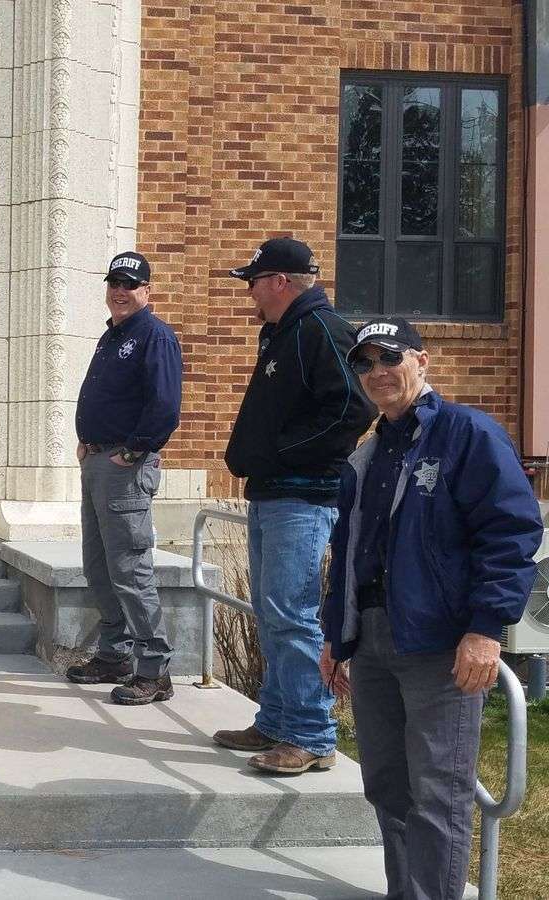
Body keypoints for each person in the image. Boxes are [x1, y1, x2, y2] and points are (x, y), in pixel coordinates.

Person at [321, 317, 542, 900]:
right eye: (364, 363)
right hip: (371, 639)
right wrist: (335, 636)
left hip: (440, 646)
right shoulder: (369, 451)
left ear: (422, 360)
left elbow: (512, 533)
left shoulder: (467, 434)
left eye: (389, 357)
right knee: (388, 786)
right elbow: (348, 550)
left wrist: (486, 629)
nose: (377, 372)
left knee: (438, 792)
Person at [215, 237, 375, 773]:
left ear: (280, 281)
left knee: (293, 613)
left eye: (255, 282)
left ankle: (311, 734)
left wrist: (284, 454)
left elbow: (355, 406)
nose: (251, 294)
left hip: (302, 498)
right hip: (272, 493)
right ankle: (277, 718)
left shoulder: (321, 330)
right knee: (272, 610)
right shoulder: (283, 333)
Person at [67, 251, 183, 704]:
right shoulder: (111, 335)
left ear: (147, 292)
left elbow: (164, 406)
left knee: (131, 569)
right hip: (98, 462)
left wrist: (132, 451)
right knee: (99, 566)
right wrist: (87, 441)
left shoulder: (154, 335)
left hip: (125, 467)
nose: (120, 291)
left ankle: (154, 669)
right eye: (114, 282)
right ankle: (113, 654)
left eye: (130, 284)